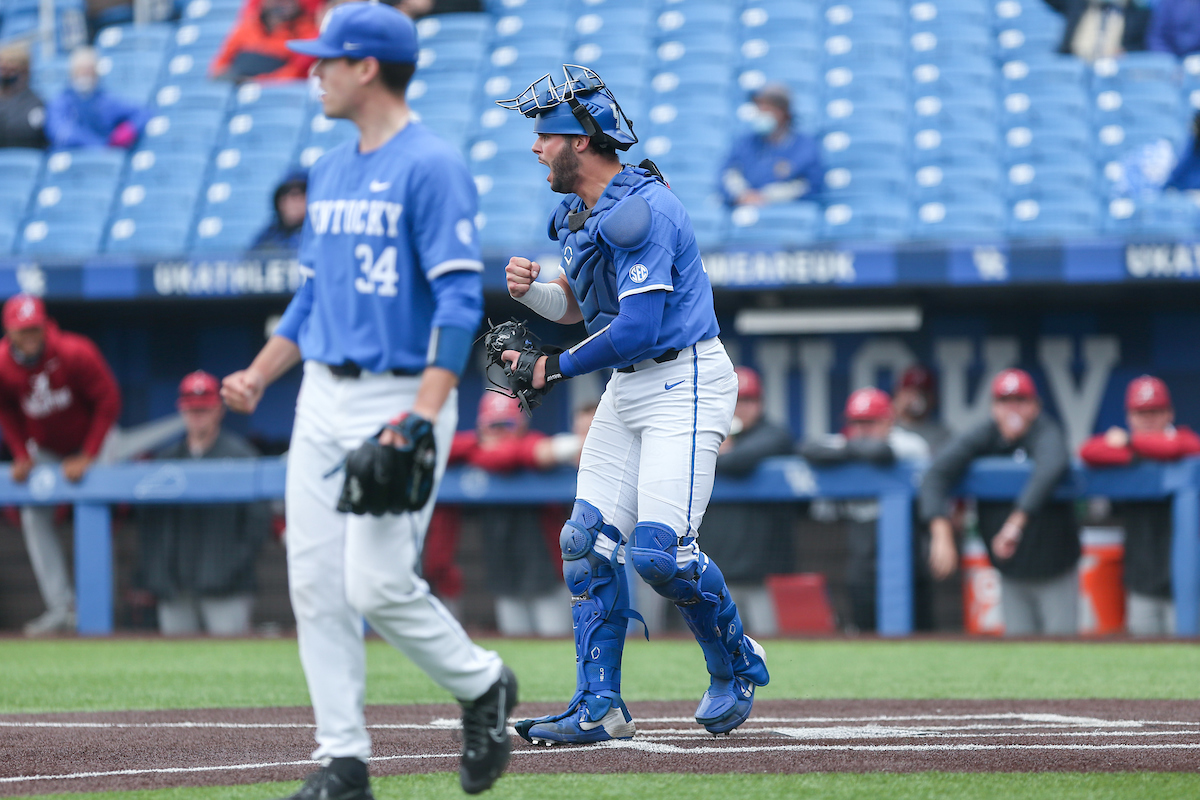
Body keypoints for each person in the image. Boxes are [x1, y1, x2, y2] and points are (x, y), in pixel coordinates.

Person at [219, 5, 516, 797]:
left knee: (377, 584)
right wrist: (261, 372)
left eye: (327, 59)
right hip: (321, 391)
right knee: (314, 583)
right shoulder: (327, 168)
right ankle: (342, 760)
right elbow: (315, 294)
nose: (312, 71)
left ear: (367, 68)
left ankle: (483, 682)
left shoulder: (433, 166)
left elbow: (460, 303)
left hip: (400, 392)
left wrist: (422, 412)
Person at [497, 63, 770, 745]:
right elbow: (586, 308)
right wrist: (534, 296)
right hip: (630, 384)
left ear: (580, 141)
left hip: (686, 377)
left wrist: (551, 367)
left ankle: (735, 661)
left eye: (545, 135)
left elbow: (641, 328)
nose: (535, 147)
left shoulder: (643, 207)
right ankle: (599, 706)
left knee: (659, 555)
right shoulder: (579, 213)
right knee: (584, 543)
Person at [921, 369, 1079, 636]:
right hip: (1010, 570)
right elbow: (935, 474)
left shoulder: (1046, 430)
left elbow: (1052, 466)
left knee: (1061, 648)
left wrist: (1015, 524)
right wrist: (941, 531)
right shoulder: (986, 434)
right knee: (1017, 649)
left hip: (1054, 566)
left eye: (1021, 400)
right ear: (994, 407)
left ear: (1035, 406)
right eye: (1005, 401)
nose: (1012, 408)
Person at [0, 294, 121, 636]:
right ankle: (62, 607)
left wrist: (89, 454)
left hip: (95, 440)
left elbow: (109, 401)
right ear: (9, 331)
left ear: (45, 325)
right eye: (22, 330)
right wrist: (21, 453)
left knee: (95, 506)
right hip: (49, 449)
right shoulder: (3, 364)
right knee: (32, 513)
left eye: (34, 328)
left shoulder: (75, 351)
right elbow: (5, 408)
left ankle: (101, 609)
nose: (30, 336)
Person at [138, 371, 271, 636]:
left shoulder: (241, 456)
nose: (198, 415)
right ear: (182, 410)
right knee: (176, 659)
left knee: (229, 657)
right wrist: (160, 573)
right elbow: (149, 524)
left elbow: (258, 522)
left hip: (226, 585)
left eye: (204, 409)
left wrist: (233, 566)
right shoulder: (166, 459)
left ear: (219, 410)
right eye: (192, 409)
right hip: (176, 584)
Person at [800, 387, 933, 632]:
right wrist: (850, 450)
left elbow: (881, 452)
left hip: (907, 555)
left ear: (888, 421)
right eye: (856, 422)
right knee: (865, 630)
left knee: (919, 633)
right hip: (860, 554)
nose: (862, 430)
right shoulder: (847, 442)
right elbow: (808, 448)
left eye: (870, 423)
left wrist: (845, 453)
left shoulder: (909, 443)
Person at [1079, 375, 1200, 636]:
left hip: (1187, 584)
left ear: (1169, 413)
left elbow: (1186, 446)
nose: (1148, 419)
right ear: (1129, 417)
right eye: (1141, 413)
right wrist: (1133, 448)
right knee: (1146, 655)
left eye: (1155, 411)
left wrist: (1130, 441)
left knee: (1189, 654)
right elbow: (1089, 451)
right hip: (1142, 581)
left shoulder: (1183, 442)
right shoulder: (1126, 453)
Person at [447, 392, 571, 636]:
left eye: (507, 424)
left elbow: (539, 452)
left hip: (547, 573)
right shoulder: (471, 449)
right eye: (493, 425)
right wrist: (479, 447)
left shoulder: (531, 443)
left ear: (521, 425)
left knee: (557, 641)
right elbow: (444, 449)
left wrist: (488, 452)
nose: (500, 431)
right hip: (504, 572)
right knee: (515, 642)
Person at [696, 365, 795, 637]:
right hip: (712, 574)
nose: (741, 408)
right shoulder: (702, 433)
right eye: (735, 400)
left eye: (748, 400)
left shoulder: (773, 434)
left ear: (760, 404)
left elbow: (741, 461)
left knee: (769, 643)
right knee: (711, 644)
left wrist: (714, 452)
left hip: (763, 575)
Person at [719, 83, 823, 207]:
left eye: (767, 109)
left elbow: (811, 184)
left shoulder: (805, 146)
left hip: (783, 213)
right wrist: (742, 194)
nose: (761, 113)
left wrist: (768, 196)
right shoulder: (745, 142)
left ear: (783, 113)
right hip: (745, 210)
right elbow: (728, 172)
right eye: (759, 108)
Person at [44, 46, 150, 150]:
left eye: (89, 71)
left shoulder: (105, 100)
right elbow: (59, 132)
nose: (85, 76)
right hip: (71, 155)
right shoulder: (60, 102)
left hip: (104, 156)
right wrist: (100, 145)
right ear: (72, 73)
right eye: (81, 71)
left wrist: (129, 129)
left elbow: (143, 112)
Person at [209, 0, 318, 83]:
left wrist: (257, 82)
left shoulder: (307, 31)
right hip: (239, 85)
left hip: (274, 93)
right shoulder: (247, 26)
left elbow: (296, 72)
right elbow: (220, 64)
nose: (283, 4)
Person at [1057, 0, 1150, 61]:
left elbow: (1140, 45)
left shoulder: (1137, 12)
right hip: (1075, 61)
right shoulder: (1077, 4)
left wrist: (1125, 52)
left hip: (1114, 67)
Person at [893, 365, 951, 456]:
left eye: (922, 393)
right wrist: (894, 412)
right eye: (910, 392)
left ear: (931, 398)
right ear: (898, 394)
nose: (915, 398)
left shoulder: (942, 435)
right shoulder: (887, 429)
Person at [0, 42, 48, 150]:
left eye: (11, 70)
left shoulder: (35, 103)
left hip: (26, 155)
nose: (5, 74)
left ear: (25, 72)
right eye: (2, 69)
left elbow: (27, 132)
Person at [252, 171, 308, 252]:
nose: (296, 204)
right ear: (279, 202)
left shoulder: (317, 233)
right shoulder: (269, 235)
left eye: (301, 197)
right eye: (291, 196)